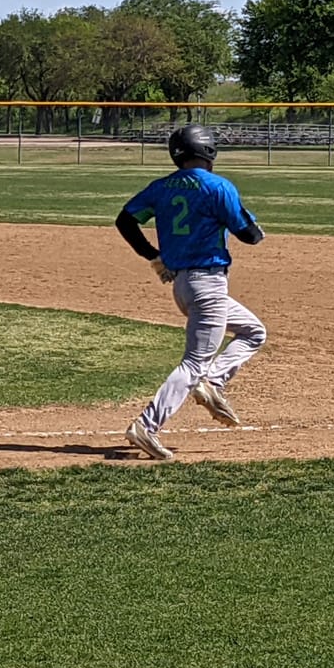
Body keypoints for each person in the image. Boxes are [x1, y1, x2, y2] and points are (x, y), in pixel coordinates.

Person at [113, 125, 268, 460]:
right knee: (193, 362)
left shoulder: (162, 187)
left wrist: (153, 257)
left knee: (253, 331)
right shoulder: (218, 186)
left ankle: (212, 382)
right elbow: (249, 235)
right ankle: (147, 426)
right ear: (209, 151)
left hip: (183, 285)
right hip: (208, 284)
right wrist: (256, 228)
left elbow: (125, 220)